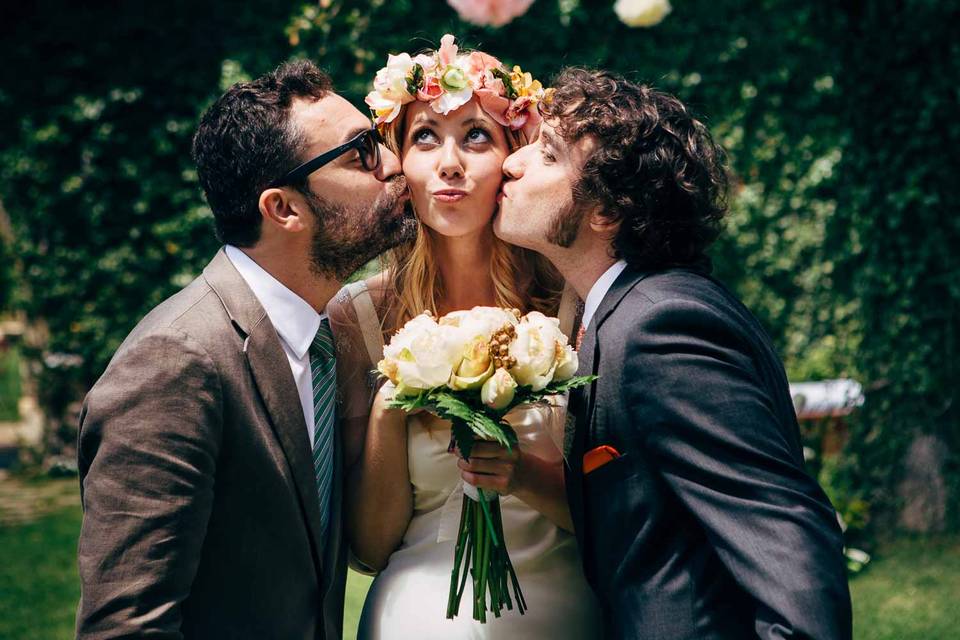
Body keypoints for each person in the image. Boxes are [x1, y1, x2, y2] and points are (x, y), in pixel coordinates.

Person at [493, 67, 853, 639]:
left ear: (606, 212)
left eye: (547, 155)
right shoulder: (621, 314)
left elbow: (786, 532)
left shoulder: (662, 328)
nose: (512, 164)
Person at [75, 59, 414, 639]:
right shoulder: (175, 363)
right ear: (284, 208)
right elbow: (126, 626)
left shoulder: (327, 343)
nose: (396, 164)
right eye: (363, 150)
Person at [329, 35, 601, 639]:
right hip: (414, 613)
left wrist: (522, 472)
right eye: (425, 136)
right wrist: (390, 403)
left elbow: (617, 514)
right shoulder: (359, 316)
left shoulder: (572, 301)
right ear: (401, 160)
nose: (449, 162)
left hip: (562, 611)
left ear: (513, 154)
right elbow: (369, 549)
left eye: (476, 135)